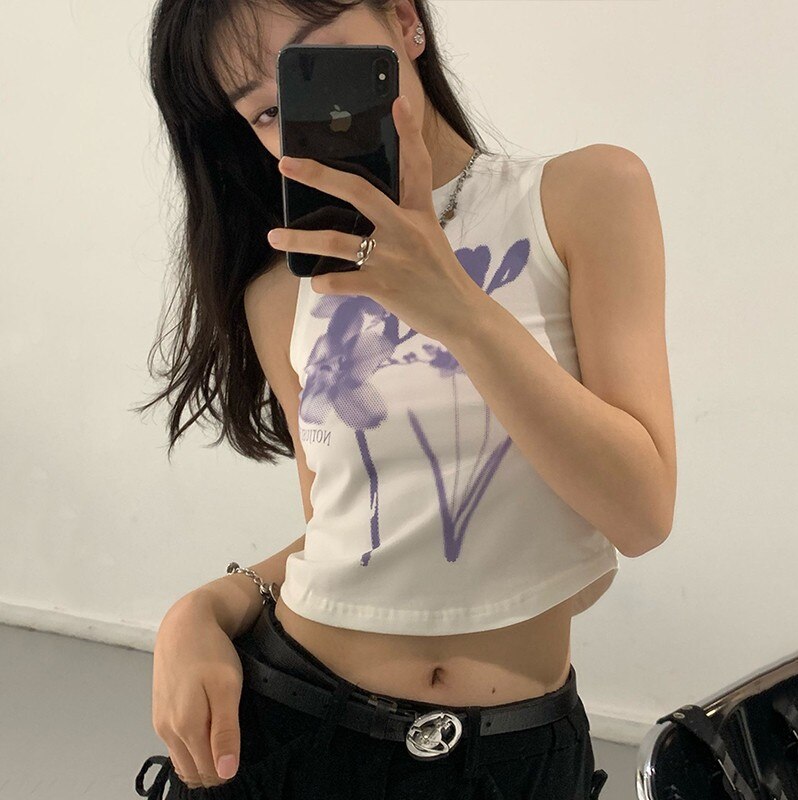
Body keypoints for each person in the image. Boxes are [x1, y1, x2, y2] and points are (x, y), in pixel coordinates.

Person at [133, 1, 676, 798]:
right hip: (293, 729)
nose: (309, 117)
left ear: (404, 23)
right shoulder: (281, 293)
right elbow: (348, 531)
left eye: (319, 65)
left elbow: (641, 512)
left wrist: (456, 306)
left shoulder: (583, 195)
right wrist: (207, 607)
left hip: (515, 760)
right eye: (268, 111)